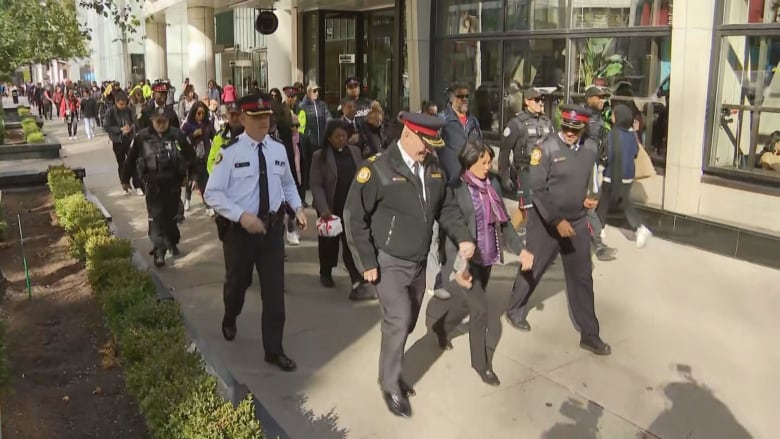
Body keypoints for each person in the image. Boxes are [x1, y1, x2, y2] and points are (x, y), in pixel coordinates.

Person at [344, 111, 476, 418]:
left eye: (433, 146)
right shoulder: (377, 169)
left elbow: (446, 207)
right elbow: (353, 216)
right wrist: (366, 261)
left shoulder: (433, 168)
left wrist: (463, 237)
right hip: (387, 261)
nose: (430, 150)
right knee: (399, 319)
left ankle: (392, 368)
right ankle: (390, 383)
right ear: (407, 135)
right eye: (425, 144)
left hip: (418, 263)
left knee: (408, 321)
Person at [203, 94, 307, 372]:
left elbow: (287, 184)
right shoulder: (230, 151)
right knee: (238, 284)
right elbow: (211, 193)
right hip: (240, 234)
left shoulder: (277, 149)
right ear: (244, 118)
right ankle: (230, 315)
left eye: (267, 117)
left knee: (274, 295)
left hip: (272, 232)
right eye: (257, 118)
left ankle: (274, 350)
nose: (264, 122)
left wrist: (297, 208)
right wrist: (241, 216)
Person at [504, 105, 611, 357]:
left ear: (583, 127)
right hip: (546, 222)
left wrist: (591, 197)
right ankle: (515, 309)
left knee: (583, 277)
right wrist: (555, 220)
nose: (570, 133)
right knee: (534, 267)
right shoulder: (545, 149)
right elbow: (538, 191)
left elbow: (593, 180)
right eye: (566, 128)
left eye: (575, 129)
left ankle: (590, 334)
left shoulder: (590, 149)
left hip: (576, 221)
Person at [427, 141, 533, 386]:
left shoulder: (492, 184)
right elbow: (449, 225)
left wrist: (521, 250)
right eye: (482, 162)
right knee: (480, 311)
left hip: (487, 256)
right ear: (469, 161)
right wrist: (455, 263)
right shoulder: (455, 188)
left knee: (470, 304)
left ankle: (441, 327)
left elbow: (504, 223)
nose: (487, 167)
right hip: (465, 260)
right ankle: (481, 364)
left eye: (489, 162)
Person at [121, 107, 197, 267]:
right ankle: (159, 251)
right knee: (155, 218)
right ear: (152, 121)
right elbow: (130, 158)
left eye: (164, 121)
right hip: (152, 186)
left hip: (173, 185)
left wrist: (194, 176)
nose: (161, 125)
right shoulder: (142, 137)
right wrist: (125, 179)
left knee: (171, 217)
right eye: (158, 122)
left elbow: (192, 156)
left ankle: (172, 241)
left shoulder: (177, 135)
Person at [310, 120, 374, 300]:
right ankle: (326, 271)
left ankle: (357, 280)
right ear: (329, 138)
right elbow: (316, 184)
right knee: (329, 243)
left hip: (351, 206)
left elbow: (362, 176)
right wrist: (323, 208)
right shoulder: (320, 156)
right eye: (337, 137)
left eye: (344, 136)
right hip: (330, 206)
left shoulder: (354, 152)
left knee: (350, 243)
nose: (341, 139)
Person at [595, 104, 652, 248]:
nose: (612, 117)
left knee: (605, 202)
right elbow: (635, 153)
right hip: (627, 176)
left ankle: (600, 230)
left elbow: (606, 155)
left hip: (613, 175)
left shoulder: (612, 134)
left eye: (614, 115)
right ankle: (602, 229)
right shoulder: (631, 135)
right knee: (621, 201)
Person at [498, 87, 553, 212]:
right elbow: (504, 150)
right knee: (527, 209)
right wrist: (504, 176)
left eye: (542, 100)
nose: (540, 103)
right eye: (537, 100)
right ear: (527, 101)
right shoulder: (517, 123)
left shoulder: (546, 122)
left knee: (545, 208)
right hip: (524, 171)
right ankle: (519, 230)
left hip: (545, 172)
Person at [583, 85, 618, 261]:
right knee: (588, 204)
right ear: (589, 98)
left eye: (603, 97)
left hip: (595, 166)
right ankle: (598, 244)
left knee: (590, 204)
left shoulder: (599, 117)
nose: (602, 100)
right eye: (599, 97)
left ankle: (594, 242)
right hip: (584, 167)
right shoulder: (583, 118)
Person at [438, 83, 483, 184]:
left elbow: (480, 147)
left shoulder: (474, 121)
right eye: (460, 96)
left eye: (467, 96)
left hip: (472, 179)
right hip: (450, 179)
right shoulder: (442, 119)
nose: (464, 99)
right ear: (451, 98)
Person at [298, 82, 331, 206]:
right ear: (308, 92)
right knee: (308, 169)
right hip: (308, 142)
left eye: (317, 91)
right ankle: (304, 198)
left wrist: (329, 128)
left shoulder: (322, 105)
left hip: (321, 141)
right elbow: (301, 126)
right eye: (314, 91)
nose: (316, 93)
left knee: (320, 170)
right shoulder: (303, 106)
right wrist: (306, 137)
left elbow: (328, 117)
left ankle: (318, 199)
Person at [182, 101, 216, 215]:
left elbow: (215, 137)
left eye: (203, 113)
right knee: (190, 180)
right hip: (192, 157)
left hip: (205, 156)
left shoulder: (208, 124)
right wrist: (193, 135)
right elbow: (183, 141)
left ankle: (208, 205)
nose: (200, 115)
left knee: (205, 181)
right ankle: (187, 199)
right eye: (198, 113)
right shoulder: (187, 125)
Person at [104, 92, 142, 194]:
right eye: (121, 104)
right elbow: (106, 127)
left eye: (125, 103)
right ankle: (124, 184)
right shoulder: (110, 112)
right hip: (118, 141)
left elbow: (136, 122)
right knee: (122, 163)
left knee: (134, 162)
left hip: (129, 139)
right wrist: (120, 129)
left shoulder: (129, 110)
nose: (123, 106)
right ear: (116, 103)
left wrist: (132, 127)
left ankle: (137, 185)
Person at [207, 102, 244, 175]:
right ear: (227, 116)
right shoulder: (220, 137)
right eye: (232, 115)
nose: (235, 118)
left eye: (237, 115)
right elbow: (211, 163)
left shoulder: (250, 134)